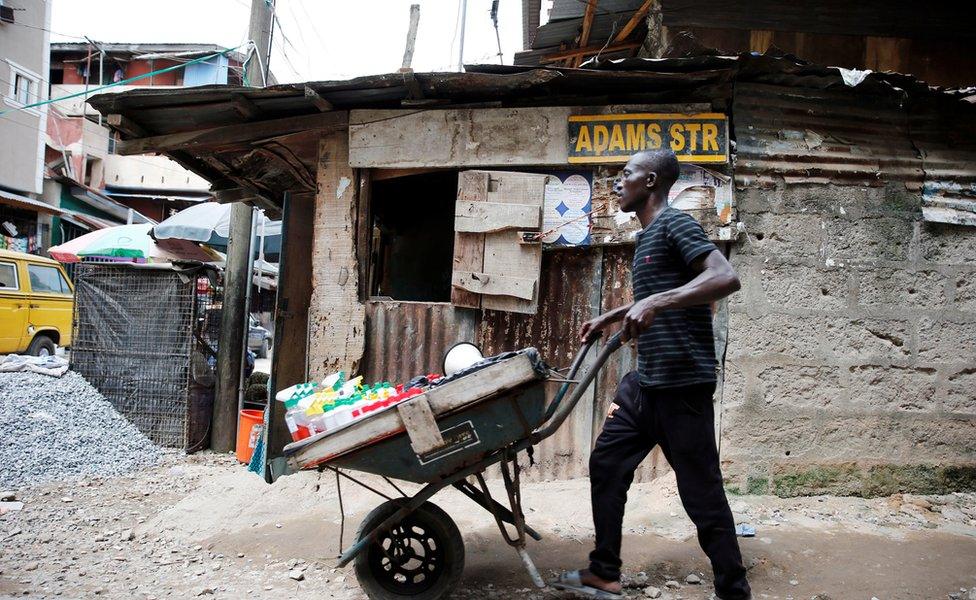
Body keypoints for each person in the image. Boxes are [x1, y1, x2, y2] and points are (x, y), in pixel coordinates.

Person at [553, 150, 751, 600]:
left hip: (683, 386)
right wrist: (616, 312)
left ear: (652, 180)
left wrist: (654, 303)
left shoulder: (676, 224)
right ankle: (604, 571)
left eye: (627, 175)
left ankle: (734, 591)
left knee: (701, 496)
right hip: (646, 384)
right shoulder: (645, 239)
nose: (618, 184)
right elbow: (660, 295)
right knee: (606, 465)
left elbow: (725, 276)